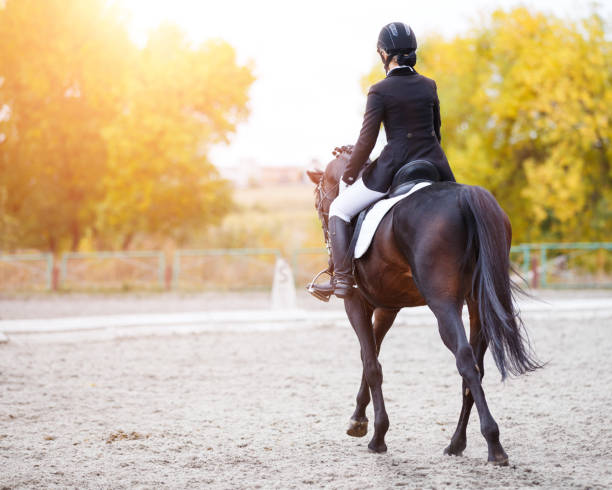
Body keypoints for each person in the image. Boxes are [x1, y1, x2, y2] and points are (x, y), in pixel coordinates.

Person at [317, 22, 456, 299]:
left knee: (339, 210)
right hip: (435, 165)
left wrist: (349, 174)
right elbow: (436, 133)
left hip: (394, 167)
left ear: (383, 54)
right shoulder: (429, 85)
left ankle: (342, 280)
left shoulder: (379, 90)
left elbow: (367, 140)